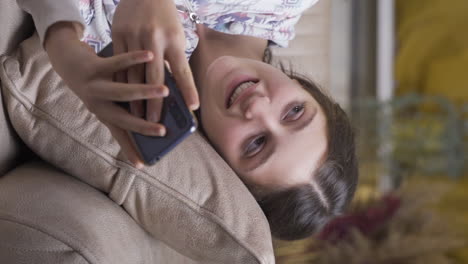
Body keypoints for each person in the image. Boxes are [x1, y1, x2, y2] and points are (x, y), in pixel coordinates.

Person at [18, 0, 358, 240]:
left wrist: (61, 41)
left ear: (223, 164)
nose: (259, 108)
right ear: (307, 90)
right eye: (294, 112)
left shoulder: (120, 63)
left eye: (256, 144)